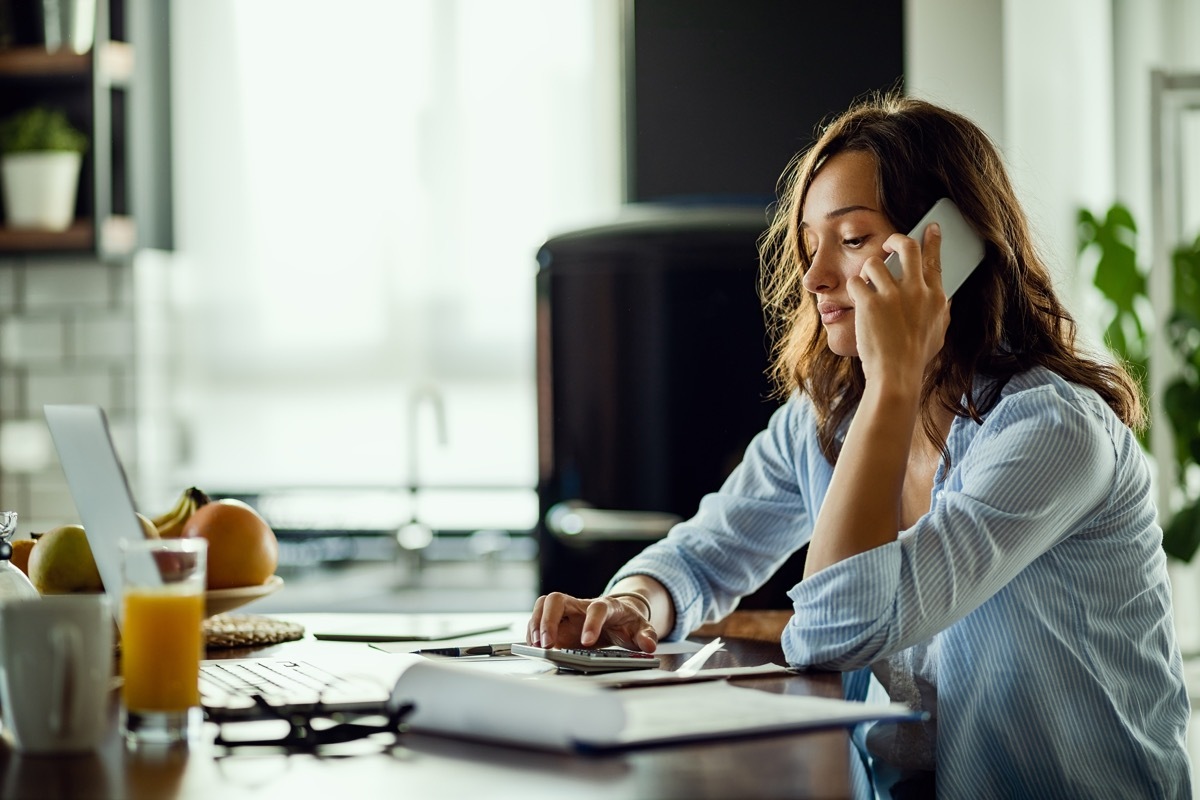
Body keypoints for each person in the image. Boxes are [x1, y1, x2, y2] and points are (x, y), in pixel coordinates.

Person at [525, 94, 1192, 798]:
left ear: (950, 245)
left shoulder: (1052, 433)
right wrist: (635, 602)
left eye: (850, 239)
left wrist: (893, 381)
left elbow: (837, 628)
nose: (813, 279)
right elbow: (702, 553)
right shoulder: (826, 418)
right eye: (811, 247)